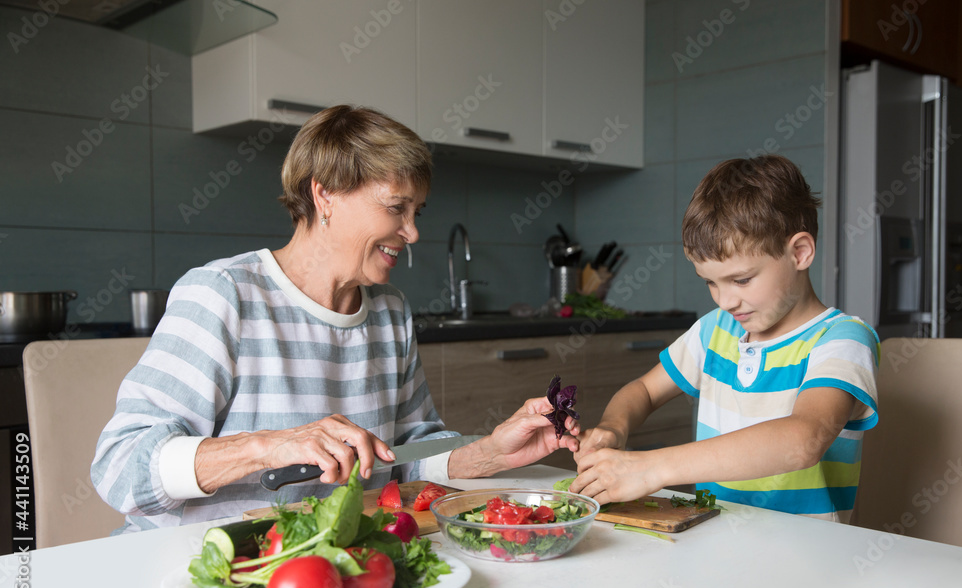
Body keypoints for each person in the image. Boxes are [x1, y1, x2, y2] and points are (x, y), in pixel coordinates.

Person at [93, 105, 578, 533]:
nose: (411, 232)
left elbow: (406, 455)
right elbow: (119, 466)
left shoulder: (388, 313)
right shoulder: (225, 294)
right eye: (395, 208)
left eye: (417, 212)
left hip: (327, 565)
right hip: (204, 566)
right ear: (325, 196)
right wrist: (269, 447)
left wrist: (493, 451)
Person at [571, 155, 879, 523]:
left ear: (799, 253)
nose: (725, 300)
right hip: (714, 539)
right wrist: (613, 427)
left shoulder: (842, 340)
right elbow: (645, 390)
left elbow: (804, 440)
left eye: (742, 279)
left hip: (806, 558)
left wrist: (651, 468)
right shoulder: (715, 331)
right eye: (711, 283)